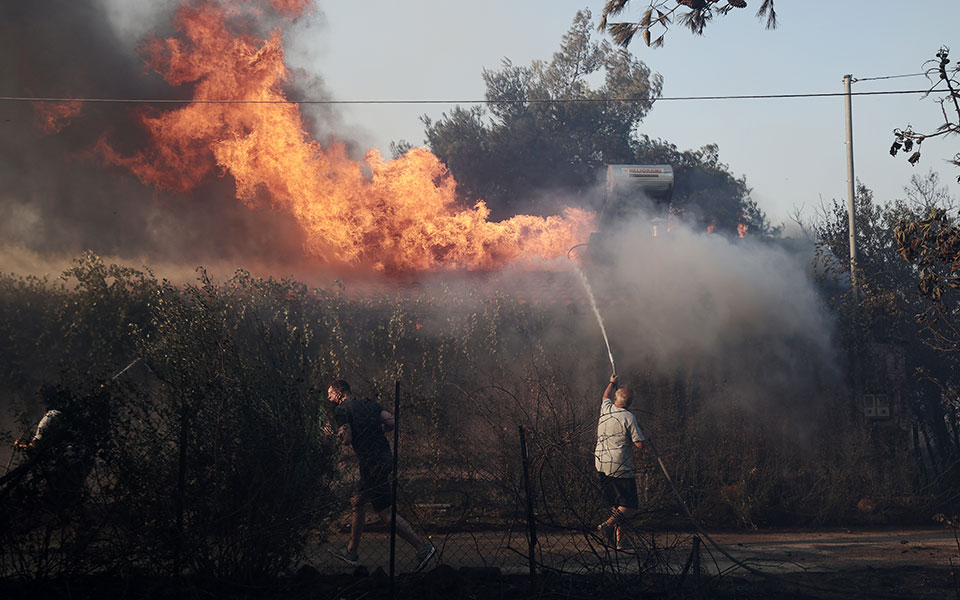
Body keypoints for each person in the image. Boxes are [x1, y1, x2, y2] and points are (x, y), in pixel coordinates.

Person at [325, 379, 435, 571]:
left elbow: (346, 439)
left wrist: (333, 434)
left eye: (330, 394)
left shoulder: (342, 410)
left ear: (339, 393)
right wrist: (378, 430)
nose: (329, 398)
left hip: (371, 463)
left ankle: (422, 548)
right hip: (384, 458)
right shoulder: (369, 404)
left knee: (384, 511)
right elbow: (392, 422)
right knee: (357, 501)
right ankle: (351, 552)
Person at [595, 373, 645, 549]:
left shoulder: (606, 408)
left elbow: (604, 396)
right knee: (629, 506)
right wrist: (646, 436)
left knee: (617, 505)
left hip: (601, 463)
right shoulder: (629, 418)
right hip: (620, 466)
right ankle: (607, 526)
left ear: (616, 398)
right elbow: (639, 444)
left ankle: (619, 541)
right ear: (630, 403)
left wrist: (611, 383)